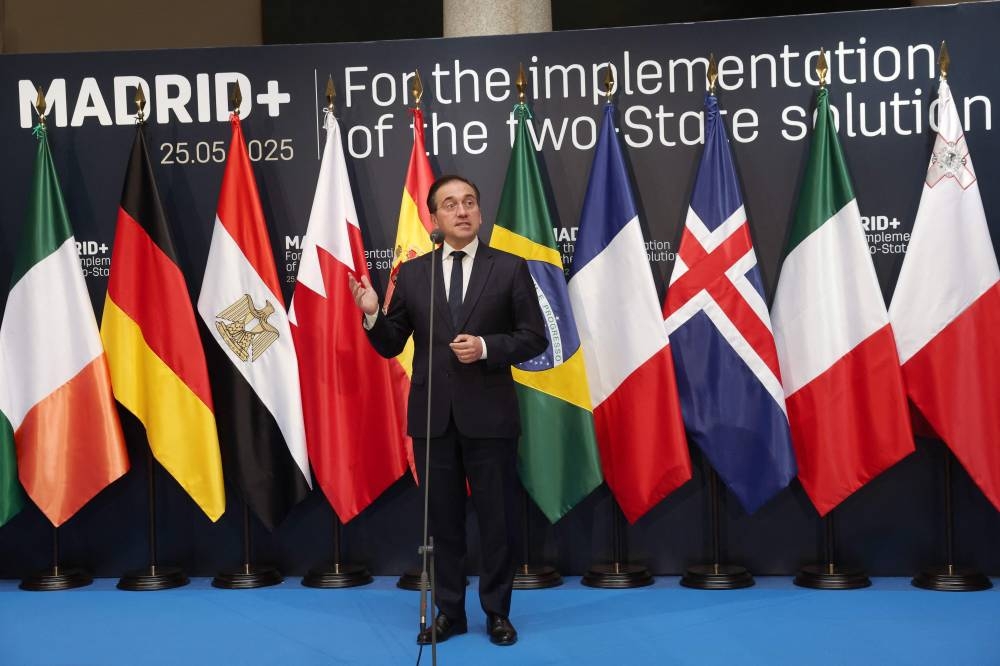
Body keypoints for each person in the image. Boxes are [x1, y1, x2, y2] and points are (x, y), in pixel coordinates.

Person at [348, 174, 547, 647]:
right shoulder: (415, 275)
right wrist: (374, 313)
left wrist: (485, 346)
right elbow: (391, 341)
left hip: (491, 417)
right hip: (434, 419)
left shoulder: (510, 268)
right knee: (442, 524)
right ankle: (450, 613)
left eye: (470, 203)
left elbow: (534, 337)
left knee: (497, 521)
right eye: (451, 205)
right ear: (433, 218)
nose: (462, 211)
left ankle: (497, 612)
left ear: (479, 212)